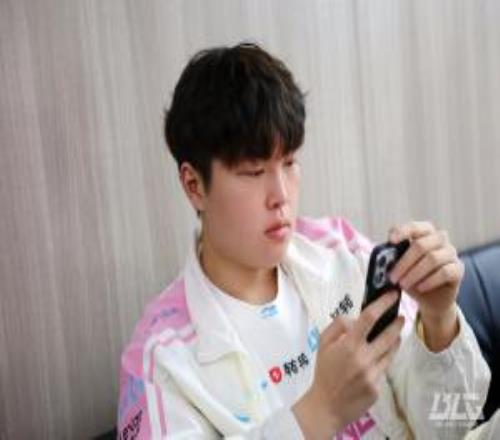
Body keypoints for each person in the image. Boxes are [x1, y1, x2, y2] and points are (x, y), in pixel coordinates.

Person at [117, 42, 491, 439]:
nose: (281, 195)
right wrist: (318, 413)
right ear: (194, 185)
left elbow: (453, 424)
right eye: (253, 171)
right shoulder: (162, 362)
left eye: (290, 162)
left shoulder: (340, 249)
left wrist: (439, 321)